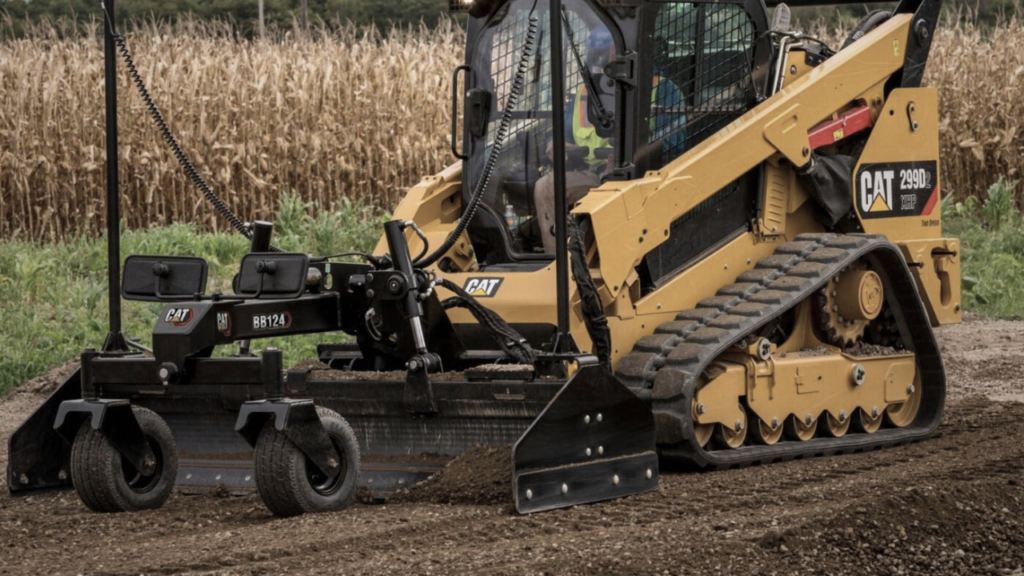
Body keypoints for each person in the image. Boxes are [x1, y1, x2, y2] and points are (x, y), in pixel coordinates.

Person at [531, 25, 685, 253]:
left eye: (607, 56)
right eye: (596, 57)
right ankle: (558, 263)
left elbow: (675, 140)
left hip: (642, 176)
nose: (601, 63)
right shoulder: (585, 93)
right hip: (594, 173)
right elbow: (561, 132)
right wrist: (554, 143)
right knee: (546, 187)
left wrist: (630, 151)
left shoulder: (661, 89)